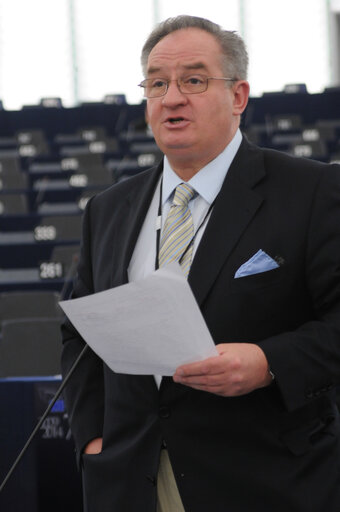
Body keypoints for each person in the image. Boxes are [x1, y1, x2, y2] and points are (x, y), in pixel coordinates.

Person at [61, 15, 340, 512]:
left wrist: (270, 363)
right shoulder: (107, 209)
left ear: (238, 96)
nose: (171, 98)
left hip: (263, 479)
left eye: (193, 80)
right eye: (157, 83)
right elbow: (78, 335)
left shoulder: (314, 192)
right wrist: (92, 440)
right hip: (129, 480)